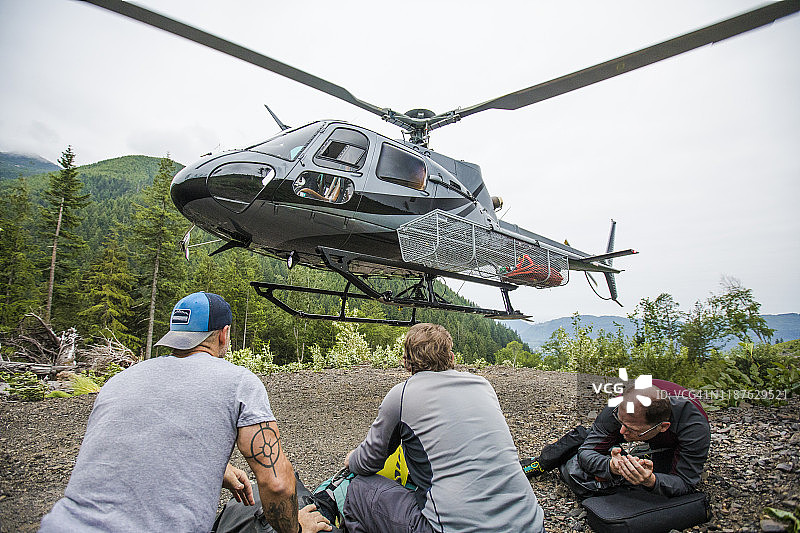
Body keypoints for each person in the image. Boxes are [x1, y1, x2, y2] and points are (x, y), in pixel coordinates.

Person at [39, 291, 331, 533]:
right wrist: (296, 529)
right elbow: (278, 484)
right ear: (224, 335)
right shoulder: (239, 383)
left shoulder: (119, 381)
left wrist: (220, 469)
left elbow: (135, 439)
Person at [341, 322, 546, 532]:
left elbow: (370, 461)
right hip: (532, 524)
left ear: (407, 363)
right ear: (452, 358)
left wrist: (352, 459)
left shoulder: (401, 395)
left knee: (359, 490)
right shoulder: (483, 385)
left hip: (451, 529)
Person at [521, 382, 710, 499]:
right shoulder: (618, 410)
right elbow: (586, 453)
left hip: (672, 438)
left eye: (632, 430)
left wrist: (651, 481)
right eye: (621, 423)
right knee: (587, 437)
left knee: (661, 477)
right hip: (640, 420)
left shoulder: (694, 427)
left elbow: (685, 482)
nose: (622, 431)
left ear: (663, 427)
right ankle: (539, 463)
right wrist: (611, 466)